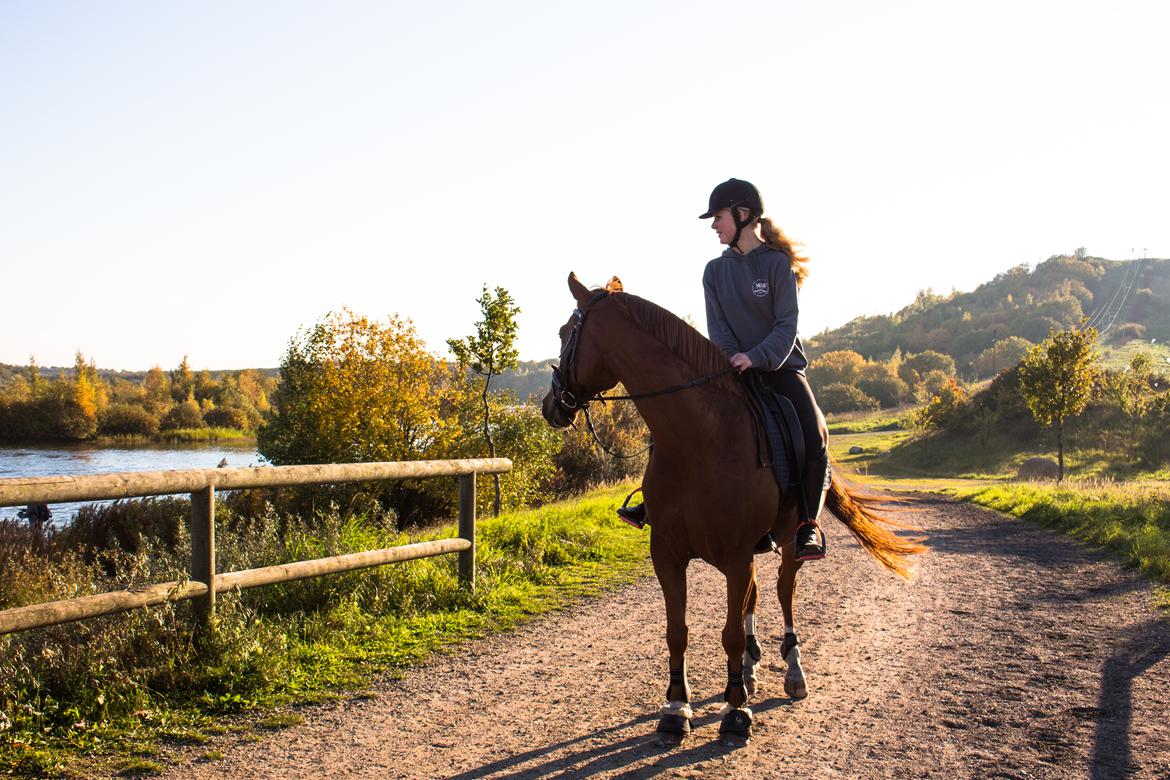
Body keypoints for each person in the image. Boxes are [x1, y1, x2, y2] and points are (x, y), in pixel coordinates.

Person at [617, 178, 829, 561]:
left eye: (718, 217)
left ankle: (806, 525)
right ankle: (652, 502)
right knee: (679, 419)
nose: (713, 225)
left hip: (781, 369)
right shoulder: (714, 271)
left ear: (743, 215)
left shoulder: (778, 265)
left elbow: (786, 326)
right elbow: (719, 330)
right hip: (733, 370)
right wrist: (732, 359)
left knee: (813, 435)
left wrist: (757, 357)